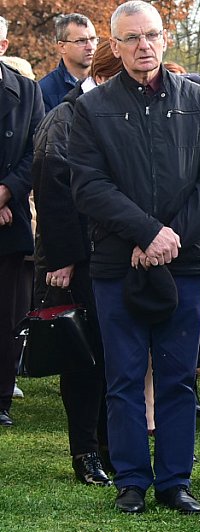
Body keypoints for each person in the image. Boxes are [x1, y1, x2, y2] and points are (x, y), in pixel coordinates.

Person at [69, 0, 200, 514]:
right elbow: (89, 185)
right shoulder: (90, 109)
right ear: (114, 45)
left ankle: (174, 482)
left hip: (185, 262)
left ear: (165, 39)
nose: (144, 46)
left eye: (152, 35)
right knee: (123, 376)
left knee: (179, 375)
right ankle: (132, 480)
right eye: (131, 38)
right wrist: (145, 232)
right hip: (119, 263)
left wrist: (170, 239)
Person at [31, 40, 121, 486]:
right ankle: (85, 452)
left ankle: (110, 445)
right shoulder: (64, 118)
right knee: (82, 359)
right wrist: (63, 260)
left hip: (111, 253)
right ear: (103, 77)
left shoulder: (111, 114)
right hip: (76, 260)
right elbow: (52, 191)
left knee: (111, 356)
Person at [0, 14, 45, 428]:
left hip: (8, 222)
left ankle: (0, 396)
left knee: (8, 311)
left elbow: (36, 152)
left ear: (3, 47)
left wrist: (6, 191)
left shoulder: (27, 92)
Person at [39, 13, 97, 112]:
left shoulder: (109, 83)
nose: (90, 47)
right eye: (81, 41)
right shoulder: (44, 91)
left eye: (93, 39)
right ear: (62, 47)